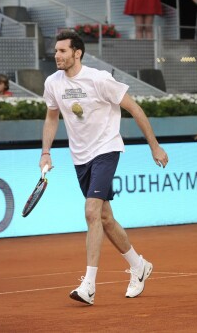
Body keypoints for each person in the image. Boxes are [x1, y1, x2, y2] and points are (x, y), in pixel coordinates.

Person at [41, 30, 169, 305]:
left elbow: (135, 109)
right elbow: (52, 118)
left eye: (62, 51)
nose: (57, 55)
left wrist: (154, 146)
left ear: (77, 53)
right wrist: (46, 152)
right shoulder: (53, 83)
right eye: (56, 51)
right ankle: (139, 265)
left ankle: (89, 285)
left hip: (106, 149)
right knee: (105, 218)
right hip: (80, 157)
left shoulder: (99, 80)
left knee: (91, 211)